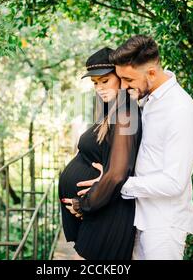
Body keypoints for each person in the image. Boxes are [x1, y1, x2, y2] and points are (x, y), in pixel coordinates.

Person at [77, 35, 193, 260]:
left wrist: (116, 185)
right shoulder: (148, 99)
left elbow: (175, 181)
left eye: (128, 80)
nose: (123, 86)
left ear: (151, 73)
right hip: (138, 217)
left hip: (163, 226)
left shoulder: (180, 109)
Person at [58, 47, 142, 260]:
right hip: (101, 212)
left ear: (121, 77)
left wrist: (84, 204)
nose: (100, 88)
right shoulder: (111, 110)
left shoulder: (126, 112)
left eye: (105, 81)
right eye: (95, 83)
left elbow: (117, 174)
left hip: (109, 215)